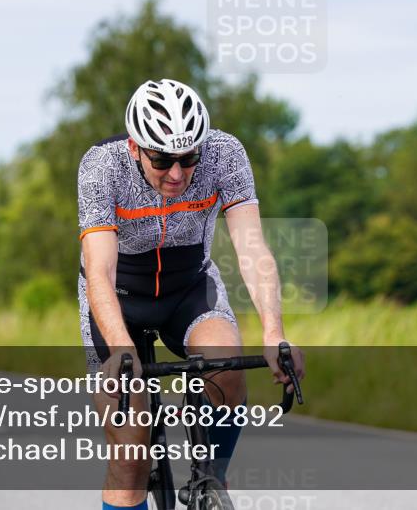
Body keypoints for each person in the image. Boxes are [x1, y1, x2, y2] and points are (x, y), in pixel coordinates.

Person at [77, 78, 305, 510]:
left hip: (189, 287)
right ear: (135, 148)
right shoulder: (100, 166)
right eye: (162, 160)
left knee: (227, 364)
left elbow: (252, 248)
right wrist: (121, 350)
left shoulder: (225, 153)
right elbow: (100, 273)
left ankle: (210, 482)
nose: (178, 173)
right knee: (130, 460)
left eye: (188, 157)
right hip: (120, 298)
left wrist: (275, 333)